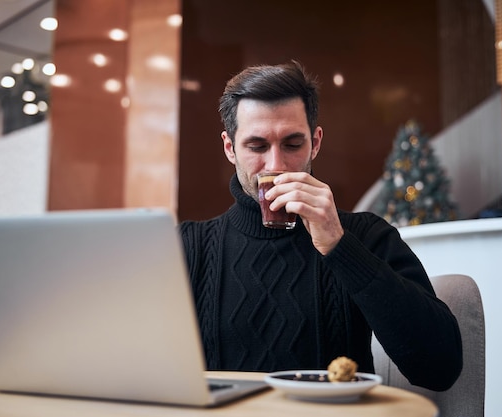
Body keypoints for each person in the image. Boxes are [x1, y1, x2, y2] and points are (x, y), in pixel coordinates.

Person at [179, 60, 462, 391]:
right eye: (257, 146)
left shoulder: (366, 236)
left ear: (315, 142)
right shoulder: (189, 248)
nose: (276, 165)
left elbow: (441, 368)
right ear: (230, 148)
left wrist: (341, 248)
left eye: (293, 144)